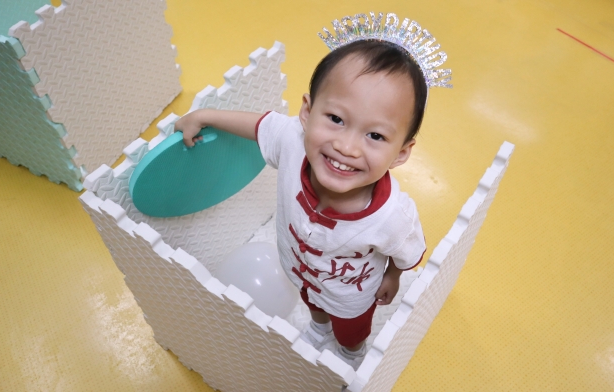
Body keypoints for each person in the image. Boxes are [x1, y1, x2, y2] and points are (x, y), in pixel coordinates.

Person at [175, 14, 450, 369]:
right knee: (313, 305)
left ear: (401, 153)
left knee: (350, 332)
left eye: (375, 135)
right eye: (335, 119)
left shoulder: (392, 216)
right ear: (307, 112)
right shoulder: (293, 141)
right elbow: (260, 126)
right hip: (299, 271)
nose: (346, 147)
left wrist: (393, 277)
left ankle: (351, 352)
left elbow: (405, 249)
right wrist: (206, 116)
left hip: (351, 297)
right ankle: (319, 329)